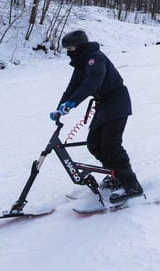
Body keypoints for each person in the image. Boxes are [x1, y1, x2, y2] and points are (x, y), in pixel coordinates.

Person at [50, 29, 144, 203]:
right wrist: (60, 108)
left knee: (111, 145)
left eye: (70, 48)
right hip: (104, 104)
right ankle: (114, 175)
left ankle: (132, 185)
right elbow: (72, 87)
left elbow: (92, 83)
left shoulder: (95, 58)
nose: (68, 52)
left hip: (117, 101)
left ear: (79, 46)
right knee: (94, 144)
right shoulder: (80, 63)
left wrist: (73, 103)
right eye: (66, 49)